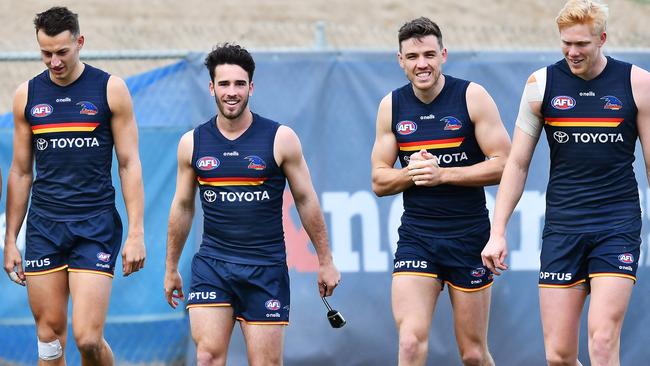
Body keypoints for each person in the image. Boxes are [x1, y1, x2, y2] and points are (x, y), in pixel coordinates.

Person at [481, 1, 650, 365]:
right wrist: (498, 231)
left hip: (616, 225)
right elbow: (518, 164)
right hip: (563, 227)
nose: (572, 52)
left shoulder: (637, 83)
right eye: (566, 43)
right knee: (558, 355)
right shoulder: (540, 85)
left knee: (603, 340)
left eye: (582, 45)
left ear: (602, 39)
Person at [163, 43, 340, 366]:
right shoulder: (192, 143)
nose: (232, 92)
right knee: (207, 357)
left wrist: (325, 260)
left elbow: (306, 200)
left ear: (251, 87)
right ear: (212, 87)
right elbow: (183, 206)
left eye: (239, 84)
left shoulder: (280, 138)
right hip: (213, 266)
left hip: (265, 269)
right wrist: (171, 266)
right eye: (225, 84)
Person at [2, 6, 146, 365]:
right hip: (44, 228)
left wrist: (136, 233)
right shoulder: (27, 96)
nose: (54, 61)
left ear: (79, 42)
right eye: (46, 53)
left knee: (87, 338)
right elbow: (21, 172)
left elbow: (128, 164)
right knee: (49, 341)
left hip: (94, 226)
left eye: (62, 52)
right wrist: (9, 241)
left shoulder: (110, 89)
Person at [371, 17, 511, 366]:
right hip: (418, 237)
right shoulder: (392, 106)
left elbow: (506, 164)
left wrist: (443, 174)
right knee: (409, 344)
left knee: (474, 354)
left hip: (469, 238)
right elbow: (379, 180)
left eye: (430, 54)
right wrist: (413, 174)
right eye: (413, 56)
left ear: (443, 55)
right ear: (400, 61)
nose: (423, 64)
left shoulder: (471, 96)